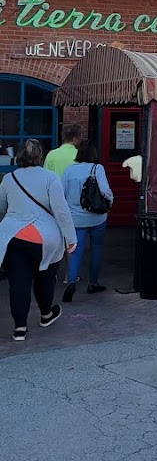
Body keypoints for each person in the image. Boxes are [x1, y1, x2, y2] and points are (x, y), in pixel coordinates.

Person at [0, 139, 77, 341]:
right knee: (45, 278)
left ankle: (19, 328)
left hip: (14, 238)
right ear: (40, 156)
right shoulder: (50, 178)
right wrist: (70, 237)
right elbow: (61, 210)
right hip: (45, 239)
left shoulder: (9, 178)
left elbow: (1, 208)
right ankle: (46, 314)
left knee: (18, 283)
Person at [61, 141, 114, 302]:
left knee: (75, 250)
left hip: (75, 218)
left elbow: (61, 193)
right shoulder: (97, 168)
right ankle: (93, 283)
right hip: (96, 217)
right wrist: (110, 202)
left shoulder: (68, 170)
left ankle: (71, 281)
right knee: (96, 249)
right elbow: (104, 191)